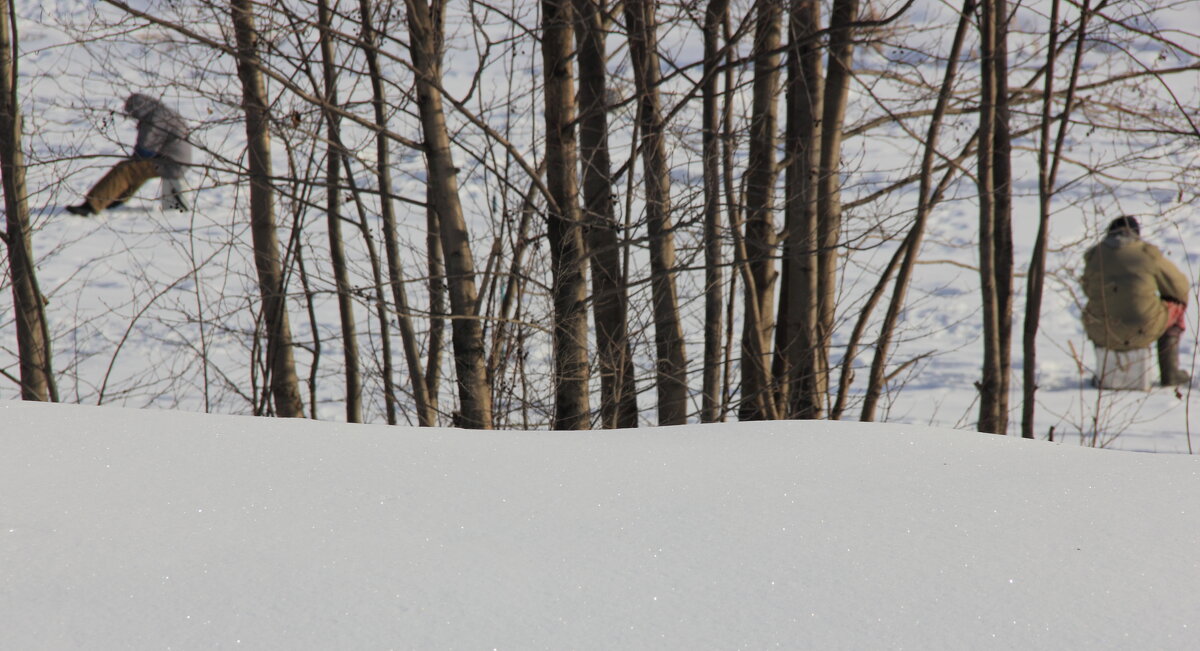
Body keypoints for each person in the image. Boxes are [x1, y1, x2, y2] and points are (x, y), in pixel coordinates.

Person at [1082, 216, 1191, 386]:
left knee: (1095, 311)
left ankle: (1104, 373)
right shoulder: (1146, 253)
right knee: (1176, 310)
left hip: (1102, 331)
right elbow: (1179, 288)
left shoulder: (1094, 255)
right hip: (1143, 329)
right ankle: (1170, 373)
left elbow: (1088, 290)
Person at [66, 94, 192, 215]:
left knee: (126, 169)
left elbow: (146, 147)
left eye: (132, 112)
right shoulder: (164, 113)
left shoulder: (156, 117)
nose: (132, 116)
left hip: (171, 163)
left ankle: (92, 205)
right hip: (176, 161)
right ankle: (115, 200)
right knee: (137, 169)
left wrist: (135, 158)